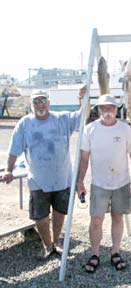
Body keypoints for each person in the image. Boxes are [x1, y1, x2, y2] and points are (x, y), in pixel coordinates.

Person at [0, 87, 90, 259]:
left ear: (49, 103)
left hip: (62, 178)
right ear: (31, 104)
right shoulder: (24, 124)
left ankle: (56, 242)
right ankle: (47, 245)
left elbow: (82, 116)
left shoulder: (62, 119)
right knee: (40, 216)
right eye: (36, 101)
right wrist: (9, 170)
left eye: (43, 100)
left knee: (59, 212)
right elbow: (14, 150)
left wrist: (83, 99)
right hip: (38, 180)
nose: (40, 103)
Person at [76, 93, 131, 273]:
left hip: (121, 182)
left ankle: (115, 252)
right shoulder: (90, 130)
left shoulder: (125, 129)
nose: (107, 111)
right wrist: (80, 181)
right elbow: (83, 159)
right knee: (96, 219)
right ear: (98, 110)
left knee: (118, 216)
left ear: (116, 110)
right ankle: (95, 253)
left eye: (111, 108)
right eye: (103, 107)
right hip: (99, 183)